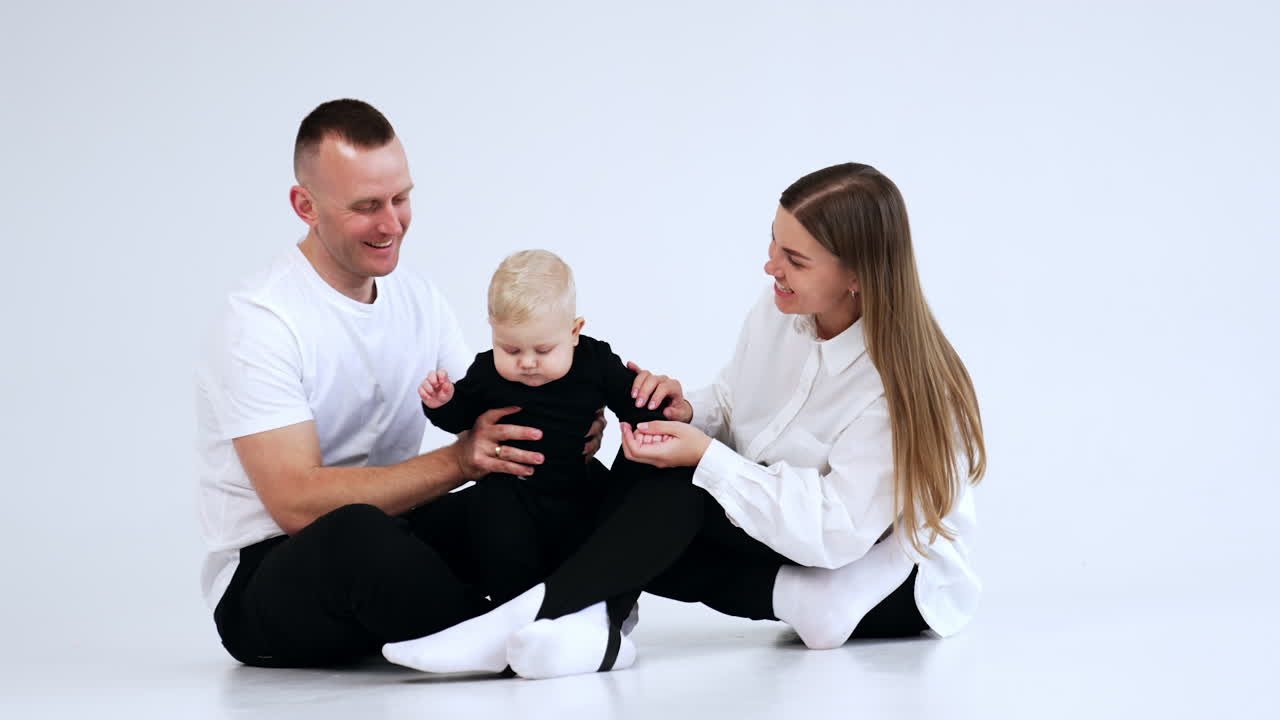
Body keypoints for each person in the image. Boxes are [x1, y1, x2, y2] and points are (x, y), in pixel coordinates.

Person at [382, 162, 987, 680]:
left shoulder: (891, 388)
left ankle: (546, 616)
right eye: (774, 242)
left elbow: (835, 530)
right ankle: (596, 619)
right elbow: (737, 401)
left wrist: (706, 457)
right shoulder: (786, 310)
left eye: (794, 258)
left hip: (882, 583)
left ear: (857, 278)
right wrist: (686, 411)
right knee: (642, 469)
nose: (770, 265)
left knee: (670, 492)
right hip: (796, 550)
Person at [194, 99, 607, 667]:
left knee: (531, 483)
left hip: (395, 539)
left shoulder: (417, 297)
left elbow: (496, 407)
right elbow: (295, 506)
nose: (391, 223)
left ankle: (566, 616)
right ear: (304, 206)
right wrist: (462, 460)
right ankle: (510, 637)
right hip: (271, 578)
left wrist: (573, 421)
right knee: (354, 533)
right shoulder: (260, 319)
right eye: (366, 206)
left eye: (401, 198)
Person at [417, 249, 665, 607]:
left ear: (575, 331)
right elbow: (460, 417)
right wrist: (442, 402)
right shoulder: (487, 372)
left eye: (544, 349)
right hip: (511, 490)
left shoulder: (593, 362)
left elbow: (632, 400)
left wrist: (654, 414)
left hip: (576, 482)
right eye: (511, 348)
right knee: (498, 528)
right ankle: (512, 609)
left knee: (602, 516)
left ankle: (597, 607)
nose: (527, 362)